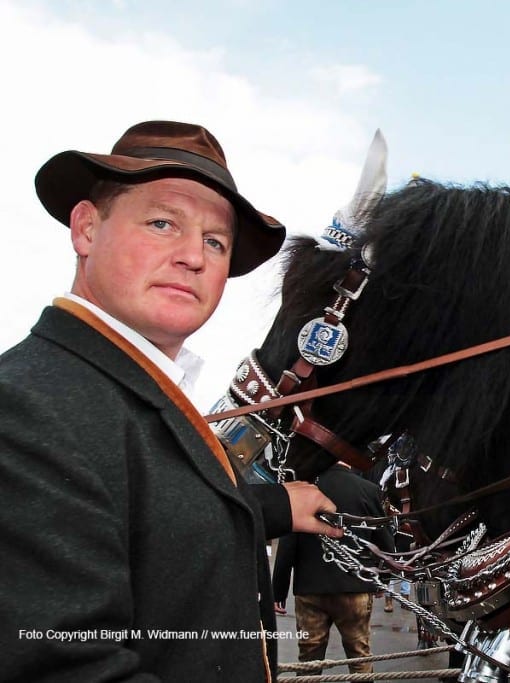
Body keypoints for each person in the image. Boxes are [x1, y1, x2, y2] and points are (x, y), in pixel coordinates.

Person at [0, 120, 344, 681]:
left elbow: (147, 511)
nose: (194, 256)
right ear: (86, 229)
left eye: (215, 241)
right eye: (163, 223)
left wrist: (277, 505)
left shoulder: (130, 388)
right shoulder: (27, 409)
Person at [272, 463, 395, 674]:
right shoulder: (368, 489)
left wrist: (278, 591)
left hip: (310, 587)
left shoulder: (305, 490)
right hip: (354, 587)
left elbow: (288, 543)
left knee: (309, 660)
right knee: (360, 657)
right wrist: (383, 580)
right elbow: (385, 542)